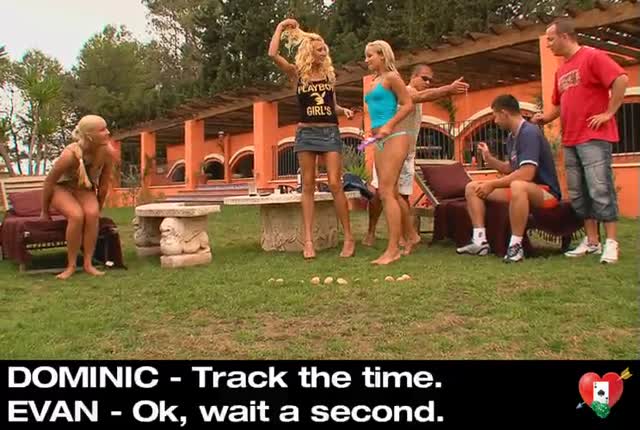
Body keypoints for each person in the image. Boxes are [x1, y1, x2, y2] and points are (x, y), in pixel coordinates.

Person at [532, 18, 628, 264]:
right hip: (571, 139)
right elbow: (560, 104)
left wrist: (609, 113)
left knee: (600, 188)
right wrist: (546, 118)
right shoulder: (561, 70)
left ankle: (611, 242)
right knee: (578, 193)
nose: (548, 44)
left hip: (594, 137)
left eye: (551, 39)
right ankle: (592, 241)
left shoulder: (592, 56)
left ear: (565, 36)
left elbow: (621, 79)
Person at [268, 18, 356, 260]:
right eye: (319, 48)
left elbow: (331, 106)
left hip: (329, 132)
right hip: (306, 133)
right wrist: (280, 27)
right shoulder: (297, 74)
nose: (324, 51)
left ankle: (349, 238)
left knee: (335, 183)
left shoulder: (329, 76)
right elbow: (273, 54)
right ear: (310, 51)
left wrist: (344, 111)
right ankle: (308, 241)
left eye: (324, 48)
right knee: (307, 185)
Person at [363, 64, 469, 255]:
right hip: (390, 151)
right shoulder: (405, 91)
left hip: (406, 153)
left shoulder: (411, 95)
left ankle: (405, 236)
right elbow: (423, 96)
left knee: (400, 196)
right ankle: (375, 232)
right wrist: (448, 89)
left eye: (430, 80)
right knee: (380, 194)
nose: (427, 82)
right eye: (424, 78)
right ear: (412, 77)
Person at [456, 95, 562, 263]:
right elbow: (510, 168)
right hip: (523, 189)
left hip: (546, 193)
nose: (495, 121)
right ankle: (480, 241)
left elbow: (526, 173)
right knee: (472, 188)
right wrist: (489, 158)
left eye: (496, 116)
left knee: (518, 185)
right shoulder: (512, 137)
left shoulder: (529, 132)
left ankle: (515, 246)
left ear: (504, 113)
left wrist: (493, 184)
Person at [41, 115, 115, 279]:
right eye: (102, 130)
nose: (108, 132)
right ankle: (71, 265)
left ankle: (88, 264)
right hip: (61, 188)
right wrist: (44, 211)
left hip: (84, 189)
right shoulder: (69, 156)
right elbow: (49, 182)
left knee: (92, 214)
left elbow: (104, 183)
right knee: (76, 216)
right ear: (89, 136)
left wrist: (99, 207)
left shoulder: (107, 152)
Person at [363, 40, 414, 265]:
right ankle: (409, 237)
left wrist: (389, 125)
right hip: (379, 139)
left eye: (370, 55)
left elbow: (408, 104)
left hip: (394, 136)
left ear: (382, 55)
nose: (366, 60)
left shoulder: (392, 77)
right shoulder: (375, 80)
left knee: (385, 192)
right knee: (389, 192)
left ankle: (393, 249)